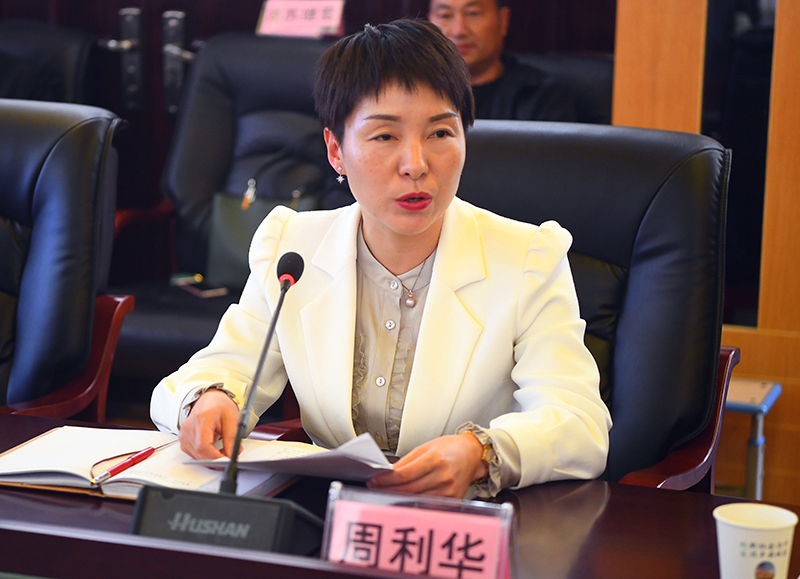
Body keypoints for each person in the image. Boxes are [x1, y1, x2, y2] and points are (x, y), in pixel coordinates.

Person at [151, 19, 611, 499]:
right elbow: (214, 371)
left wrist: (482, 452)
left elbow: (579, 423)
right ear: (336, 150)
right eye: (385, 137)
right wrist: (207, 401)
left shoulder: (527, 258)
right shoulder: (294, 248)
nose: (416, 164)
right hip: (329, 515)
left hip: (471, 520)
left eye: (440, 132)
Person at [428, 0, 578, 121]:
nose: (458, 31)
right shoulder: (418, 91)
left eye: (473, 13)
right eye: (445, 15)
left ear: (503, 20)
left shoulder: (542, 96)